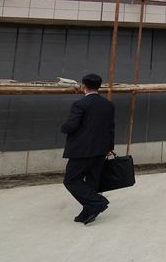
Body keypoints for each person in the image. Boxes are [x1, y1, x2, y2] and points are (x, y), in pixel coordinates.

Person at [61, 73, 115, 225]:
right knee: (92, 181)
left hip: (82, 151)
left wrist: (63, 127)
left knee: (71, 180)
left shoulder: (79, 104)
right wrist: (110, 146)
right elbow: (111, 128)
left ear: (84, 86)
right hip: (101, 149)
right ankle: (88, 211)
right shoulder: (108, 104)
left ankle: (98, 202)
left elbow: (71, 126)